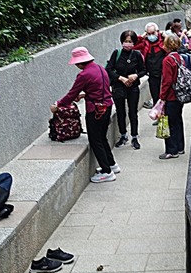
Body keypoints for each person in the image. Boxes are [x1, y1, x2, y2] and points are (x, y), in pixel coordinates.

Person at [51, 47, 118, 183]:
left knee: (95, 140)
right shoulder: (100, 68)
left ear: (80, 62)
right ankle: (112, 164)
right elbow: (101, 88)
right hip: (107, 105)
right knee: (102, 137)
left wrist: (57, 105)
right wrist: (86, 94)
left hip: (95, 110)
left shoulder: (84, 75)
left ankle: (107, 172)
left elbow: (71, 94)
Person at [106, 30, 146, 150]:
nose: (127, 44)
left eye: (130, 41)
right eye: (125, 41)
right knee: (120, 111)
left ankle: (134, 136)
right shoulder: (116, 53)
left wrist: (136, 76)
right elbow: (109, 69)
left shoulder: (137, 55)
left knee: (132, 112)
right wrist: (120, 78)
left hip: (133, 86)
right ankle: (123, 135)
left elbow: (143, 70)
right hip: (119, 86)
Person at [159, 34, 187, 159]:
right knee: (178, 121)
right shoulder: (180, 58)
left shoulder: (167, 60)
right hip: (180, 94)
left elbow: (167, 81)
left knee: (170, 123)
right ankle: (180, 146)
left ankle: (171, 150)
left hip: (171, 95)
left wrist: (162, 97)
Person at [140, 22, 166, 109]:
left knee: (164, 98)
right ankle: (158, 118)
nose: (151, 36)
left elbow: (176, 44)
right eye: (149, 33)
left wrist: (166, 36)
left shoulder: (164, 41)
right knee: (155, 97)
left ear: (157, 31)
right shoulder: (145, 43)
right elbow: (134, 44)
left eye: (153, 33)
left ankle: (164, 122)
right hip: (152, 75)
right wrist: (142, 36)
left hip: (164, 75)